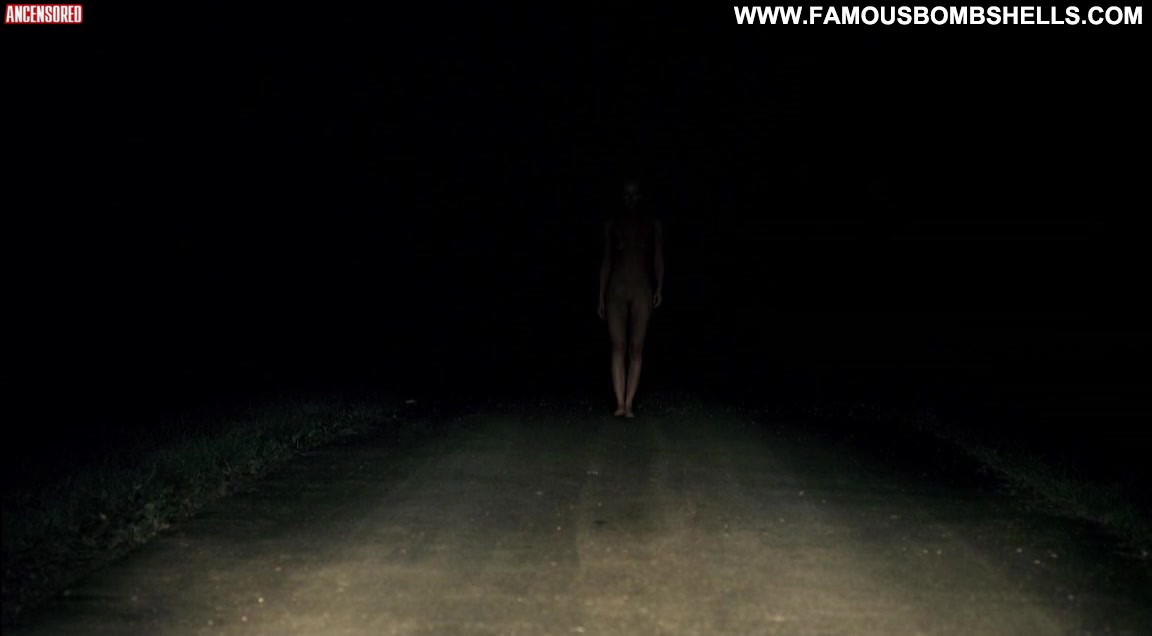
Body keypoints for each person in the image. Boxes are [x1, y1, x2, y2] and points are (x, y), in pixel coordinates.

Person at [598, 180, 663, 417]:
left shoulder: (652, 225)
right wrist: (600, 295)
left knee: (636, 347)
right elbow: (606, 259)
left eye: (635, 194)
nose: (631, 199)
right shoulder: (612, 224)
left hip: (641, 289)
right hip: (616, 289)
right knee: (618, 346)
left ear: (641, 197)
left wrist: (659, 287)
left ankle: (629, 402)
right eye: (627, 194)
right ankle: (620, 404)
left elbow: (657, 257)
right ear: (621, 197)